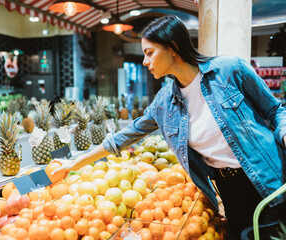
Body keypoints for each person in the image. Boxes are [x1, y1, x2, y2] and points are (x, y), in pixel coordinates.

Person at [52, 15, 286, 239]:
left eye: (149, 53)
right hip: (227, 187)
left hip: (267, 175)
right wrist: (73, 163)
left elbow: (275, 110)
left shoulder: (228, 70)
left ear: (173, 47)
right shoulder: (165, 102)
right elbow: (121, 138)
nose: (145, 61)